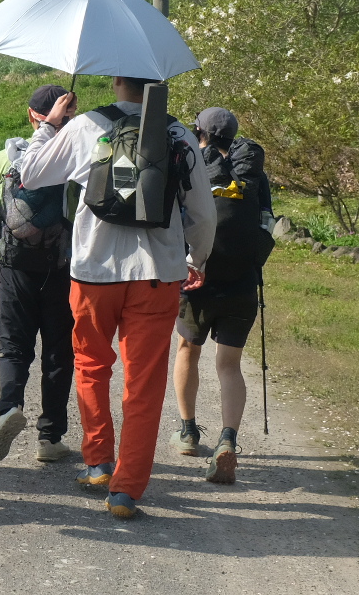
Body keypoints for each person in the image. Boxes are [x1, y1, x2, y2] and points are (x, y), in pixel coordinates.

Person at [20, 77, 216, 520]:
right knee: (143, 384)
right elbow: (202, 212)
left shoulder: (87, 125)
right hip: (157, 275)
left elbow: (30, 174)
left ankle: (98, 464)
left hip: (93, 272)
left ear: (114, 79)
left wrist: (49, 126)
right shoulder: (179, 134)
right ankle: (126, 491)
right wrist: (196, 259)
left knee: (91, 365)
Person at [172, 106, 272, 484]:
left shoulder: (194, 165)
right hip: (243, 282)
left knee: (188, 350)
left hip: (198, 277)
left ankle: (188, 431)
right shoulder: (253, 175)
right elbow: (266, 224)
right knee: (229, 365)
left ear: (199, 132)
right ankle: (227, 440)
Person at [0, 84, 76, 464]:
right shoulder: (78, 156)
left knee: (14, 346)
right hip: (62, 268)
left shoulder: (9, 155)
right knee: (58, 352)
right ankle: (50, 438)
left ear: (31, 114)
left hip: (15, 263)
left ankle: (9, 409)